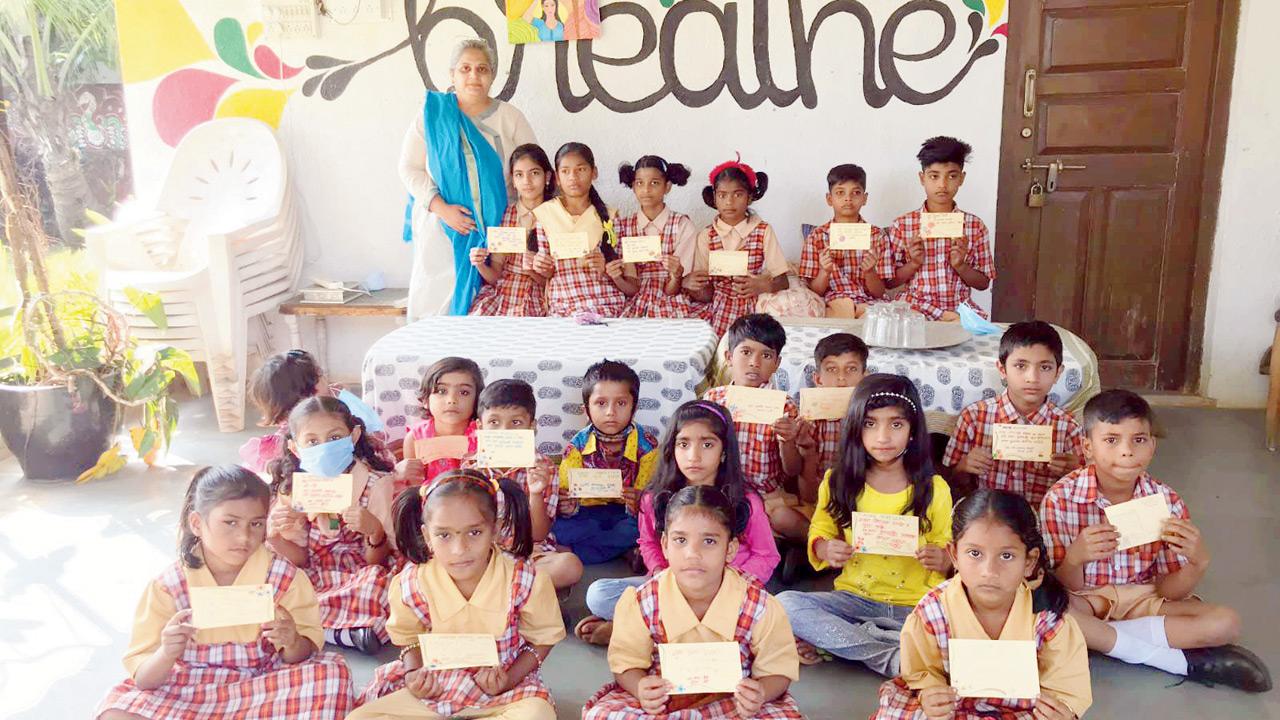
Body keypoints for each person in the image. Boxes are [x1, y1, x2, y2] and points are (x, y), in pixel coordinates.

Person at [1039, 390, 1272, 692]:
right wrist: (1075, 558)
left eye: (1139, 440)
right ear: (1088, 447)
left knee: (1226, 623)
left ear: (1152, 446)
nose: (1127, 451)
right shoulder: (1060, 498)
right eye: (1111, 440)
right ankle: (1169, 659)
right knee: (1047, 611)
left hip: (1146, 600)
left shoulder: (1166, 501)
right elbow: (1064, 586)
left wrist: (1198, 563)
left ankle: (1098, 639)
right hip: (1085, 600)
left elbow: (1167, 591)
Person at [95, 466, 354, 720]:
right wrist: (166, 652)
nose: (244, 537)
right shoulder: (168, 586)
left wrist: (292, 640)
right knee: (116, 710)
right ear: (197, 523)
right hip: (186, 690)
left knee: (331, 677)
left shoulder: (284, 578)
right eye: (230, 523)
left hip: (263, 687)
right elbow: (144, 679)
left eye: (256, 524)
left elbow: (304, 653)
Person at [776, 374, 953, 678]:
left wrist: (943, 558)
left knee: (961, 633)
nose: (882, 437)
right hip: (854, 600)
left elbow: (949, 548)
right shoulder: (838, 482)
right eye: (870, 424)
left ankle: (855, 640)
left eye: (896, 425)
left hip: (918, 605)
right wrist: (825, 548)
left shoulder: (934, 488)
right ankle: (892, 657)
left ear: (913, 432)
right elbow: (821, 529)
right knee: (785, 603)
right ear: (856, 429)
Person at [351, 471, 566, 719]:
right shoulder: (412, 583)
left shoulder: (525, 580)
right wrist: (413, 674)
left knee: (537, 715)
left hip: (505, 692)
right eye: (444, 535)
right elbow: (408, 637)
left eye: (474, 532)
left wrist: (508, 679)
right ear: (427, 535)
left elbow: (543, 638)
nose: (459, 549)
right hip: (436, 687)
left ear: (495, 529)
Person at [581, 485, 803, 720]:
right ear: (665, 545)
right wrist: (641, 688)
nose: (692, 554)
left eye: (709, 541)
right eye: (680, 540)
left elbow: (778, 670)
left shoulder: (758, 606)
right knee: (601, 716)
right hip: (663, 704)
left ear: (730, 549)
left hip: (736, 705)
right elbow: (626, 664)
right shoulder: (644, 601)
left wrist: (760, 693)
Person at [576, 400, 780, 647]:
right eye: (684, 444)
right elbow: (648, 542)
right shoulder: (655, 498)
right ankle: (688, 631)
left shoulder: (745, 500)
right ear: (672, 449)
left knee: (763, 612)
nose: (694, 456)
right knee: (599, 595)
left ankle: (640, 631)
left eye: (707, 444)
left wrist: (734, 582)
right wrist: (663, 574)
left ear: (724, 451)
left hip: (727, 590)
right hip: (672, 585)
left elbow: (766, 555)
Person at [873, 489, 1091, 720]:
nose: (989, 571)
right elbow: (922, 673)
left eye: (1006, 556)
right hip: (952, 710)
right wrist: (929, 695)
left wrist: (1062, 711)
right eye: (975, 553)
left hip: (1022, 711)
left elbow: (1066, 688)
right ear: (954, 555)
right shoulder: (933, 610)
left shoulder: (1047, 617)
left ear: (1029, 561)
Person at [399, 38, 537, 320]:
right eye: (465, 69)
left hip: (501, 225)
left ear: (492, 76)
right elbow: (408, 168)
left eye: (482, 69)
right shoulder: (432, 116)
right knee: (436, 306)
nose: (474, 76)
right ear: (452, 75)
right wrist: (443, 209)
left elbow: (533, 167)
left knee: (490, 305)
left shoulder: (510, 117)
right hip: (443, 228)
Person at [266, 396, 396, 654]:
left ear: (354, 435)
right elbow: (301, 560)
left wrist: (374, 531)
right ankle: (344, 632)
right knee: (277, 582)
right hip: (316, 574)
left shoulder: (376, 483)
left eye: (335, 438)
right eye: (312, 442)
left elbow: (378, 561)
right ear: (295, 448)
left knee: (379, 585)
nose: (324, 448)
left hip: (361, 572)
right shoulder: (294, 489)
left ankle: (321, 628)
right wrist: (276, 538)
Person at [943, 321, 1083, 505]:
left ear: (1058, 373)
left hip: (1041, 521)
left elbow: (1084, 488)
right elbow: (948, 480)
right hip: (988, 516)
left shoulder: (1069, 428)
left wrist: (1075, 471)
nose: (1032, 378)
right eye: (1020, 366)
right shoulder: (974, 417)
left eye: (1045, 367)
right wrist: (964, 466)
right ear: (1002, 369)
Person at [462, 379, 584, 590]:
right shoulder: (469, 468)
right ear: (480, 427)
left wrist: (536, 493)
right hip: (483, 554)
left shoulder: (544, 468)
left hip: (529, 552)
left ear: (532, 427)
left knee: (569, 566)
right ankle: (518, 589)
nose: (505, 431)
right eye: (494, 422)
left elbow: (538, 535)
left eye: (516, 423)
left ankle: (497, 588)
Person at [701, 314, 808, 540]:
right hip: (722, 490)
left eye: (766, 355)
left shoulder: (784, 405)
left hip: (768, 495)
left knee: (784, 519)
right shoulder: (713, 400)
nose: (755, 363)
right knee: (712, 517)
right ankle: (771, 549)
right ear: (729, 357)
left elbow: (793, 470)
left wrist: (787, 440)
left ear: (777, 363)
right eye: (746, 352)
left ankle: (813, 550)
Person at [554, 360, 659, 565]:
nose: (611, 412)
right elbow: (566, 493)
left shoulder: (647, 448)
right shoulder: (577, 447)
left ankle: (575, 552)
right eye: (601, 403)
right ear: (586, 409)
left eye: (621, 403)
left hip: (626, 515)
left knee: (642, 526)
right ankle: (624, 551)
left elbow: (651, 495)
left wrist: (638, 501)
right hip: (588, 513)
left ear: (634, 408)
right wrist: (567, 505)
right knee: (558, 527)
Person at [886, 136, 995, 322]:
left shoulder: (974, 226)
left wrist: (960, 265)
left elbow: (984, 283)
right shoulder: (903, 225)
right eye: (934, 176)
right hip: (915, 308)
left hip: (958, 308)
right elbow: (889, 282)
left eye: (952, 176)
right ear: (922, 178)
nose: (942, 185)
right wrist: (913, 263)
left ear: (961, 178)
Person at [239, 349, 392, 473]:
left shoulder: (331, 401)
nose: (327, 381)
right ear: (311, 394)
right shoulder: (285, 450)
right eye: (320, 376)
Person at [531, 142, 638, 317]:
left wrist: (605, 267)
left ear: (594, 172)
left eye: (581, 169)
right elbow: (549, 272)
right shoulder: (546, 215)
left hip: (606, 303)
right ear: (557, 177)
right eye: (565, 171)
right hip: (563, 304)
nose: (573, 177)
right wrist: (540, 266)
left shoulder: (609, 217)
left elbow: (628, 280)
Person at [687, 157, 789, 336]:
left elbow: (783, 281)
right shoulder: (707, 235)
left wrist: (763, 286)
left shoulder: (763, 231)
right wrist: (692, 285)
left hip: (752, 300)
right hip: (716, 304)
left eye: (738, 194)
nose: (729, 202)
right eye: (722, 195)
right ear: (714, 198)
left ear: (749, 197)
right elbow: (704, 290)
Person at [614, 155, 707, 319]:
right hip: (634, 301)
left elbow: (676, 286)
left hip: (671, 299)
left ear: (667, 187)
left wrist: (676, 275)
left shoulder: (682, 225)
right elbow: (631, 285)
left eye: (654, 183)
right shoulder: (623, 227)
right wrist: (615, 276)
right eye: (639, 183)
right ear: (633, 187)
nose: (646, 190)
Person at [469, 143, 554, 316]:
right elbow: (494, 276)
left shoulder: (557, 217)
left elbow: (562, 279)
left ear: (547, 177)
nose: (527, 182)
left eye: (534, 173)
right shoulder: (506, 216)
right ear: (513, 181)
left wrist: (532, 270)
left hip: (540, 299)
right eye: (519, 175)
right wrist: (479, 264)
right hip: (502, 296)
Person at [797, 164, 891, 318]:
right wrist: (825, 271)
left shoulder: (877, 236)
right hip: (833, 301)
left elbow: (880, 292)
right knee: (840, 312)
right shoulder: (817, 237)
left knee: (874, 319)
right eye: (840, 193)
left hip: (871, 303)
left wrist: (870, 272)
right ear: (829, 199)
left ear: (865, 198)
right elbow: (815, 291)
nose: (848, 198)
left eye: (856, 193)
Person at [797, 332, 869, 498]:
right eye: (832, 369)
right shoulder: (809, 420)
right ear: (818, 380)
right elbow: (807, 493)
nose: (842, 379)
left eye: (851, 369)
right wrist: (807, 450)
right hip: (820, 499)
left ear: (865, 377)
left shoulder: (873, 418)